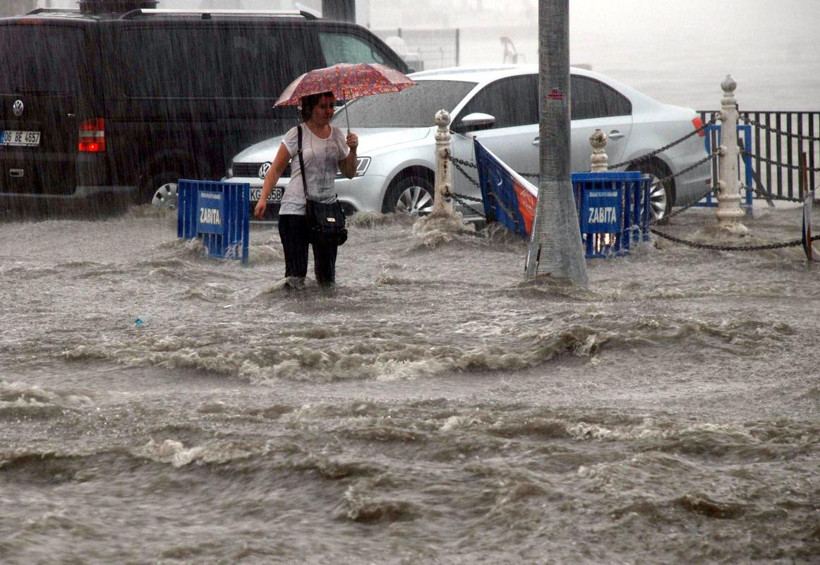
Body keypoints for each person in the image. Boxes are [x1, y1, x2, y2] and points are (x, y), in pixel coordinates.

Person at [253, 91, 359, 288]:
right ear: (310, 108)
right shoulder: (296, 134)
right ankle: (294, 308)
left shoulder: (337, 135)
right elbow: (276, 169)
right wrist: (263, 198)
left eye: (331, 105)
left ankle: (322, 310)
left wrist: (353, 149)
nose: (329, 111)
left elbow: (350, 172)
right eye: (323, 106)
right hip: (295, 212)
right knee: (295, 278)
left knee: (327, 281)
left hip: (326, 212)